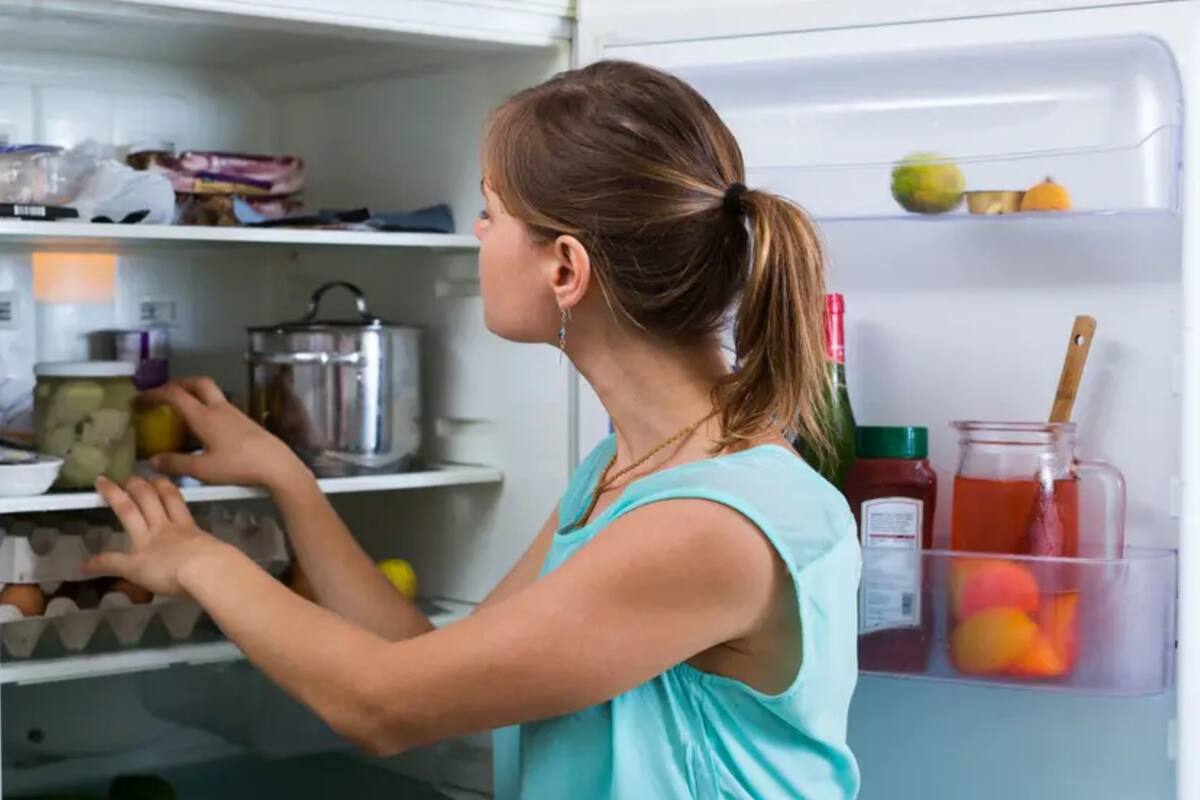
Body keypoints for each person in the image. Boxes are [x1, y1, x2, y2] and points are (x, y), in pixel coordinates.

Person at [86, 60, 862, 800]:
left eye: (491, 212)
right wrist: (290, 481)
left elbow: (381, 707)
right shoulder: (629, 469)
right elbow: (421, 665)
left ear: (565, 268)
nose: (479, 236)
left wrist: (197, 560)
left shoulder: (710, 526)